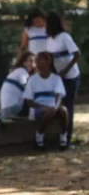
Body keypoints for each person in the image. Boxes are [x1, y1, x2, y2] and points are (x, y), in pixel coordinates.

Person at [46, 11, 80, 146]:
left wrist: (66, 70)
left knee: (68, 106)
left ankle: (67, 137)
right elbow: (50, 58)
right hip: (58, 77)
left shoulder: (64, 37)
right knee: (56, 105)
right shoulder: (49, 40)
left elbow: (77, 54)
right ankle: (58, 136)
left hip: (70, 76)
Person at [22, 52, 68, 151]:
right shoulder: (32, 80)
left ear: (48, 61)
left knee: (63, 110)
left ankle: (63, 136)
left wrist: (55, 107)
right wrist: (44, 107)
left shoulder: (56, 79)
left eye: (39, 60)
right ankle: (39, 136)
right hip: (38, 109)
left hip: (53, 107)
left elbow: (59, 97)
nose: (37, 63)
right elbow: (29, 101)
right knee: (49, 112)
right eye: (36, 61)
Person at [0, 51, 35, 120]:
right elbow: (28, 89)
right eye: (30, 61)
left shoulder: (18, 72)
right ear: (24, 63)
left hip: (9, 108)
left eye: (34, 61)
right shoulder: (21, 71)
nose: (33, 64)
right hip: (12, 108)